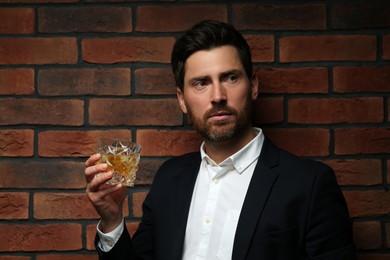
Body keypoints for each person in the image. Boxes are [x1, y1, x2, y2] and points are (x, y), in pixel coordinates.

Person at [85, 20, 356, 259]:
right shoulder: (169, 179)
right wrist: (112, 220)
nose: (217, 96)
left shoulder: (309, 184)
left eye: (230, 78)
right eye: (201, 83)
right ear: (182, 99)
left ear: (254, 86)